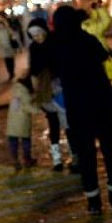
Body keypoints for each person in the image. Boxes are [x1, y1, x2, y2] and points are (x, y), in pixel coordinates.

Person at [42, 5, 112, 213]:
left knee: (86, 157)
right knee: (111, 152)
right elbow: (103, 57)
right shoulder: (88, 40)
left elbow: (47, 67)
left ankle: (93, 202)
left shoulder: (54, 46)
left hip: (78, 108)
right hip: (102, 103)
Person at [27, 21, 69, 172]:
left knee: (67, 122)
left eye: (38, 34)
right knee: (53, 123)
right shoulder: (33, 48)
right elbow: (33, 70)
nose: (37, 38)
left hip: (61, 89)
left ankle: (74, 155)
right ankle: (57, 159)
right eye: (33, 35)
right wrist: (35, 89)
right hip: (46, 91)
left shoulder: (54, 42)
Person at [83, 0, 112, 116]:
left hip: (88, 63)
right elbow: (106, 21)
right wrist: (98, 9)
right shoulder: (92, 27)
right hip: (102, 58)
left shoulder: (82, 28)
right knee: (111, 84)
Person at [7, 75, 37, 172]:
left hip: (12, 121)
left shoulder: (15, 90)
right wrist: (39, 110)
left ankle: (15, 160)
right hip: (22, 121)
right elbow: (27, 107)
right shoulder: (24, 93)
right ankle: (27, 160)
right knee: (26, 141)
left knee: (13, 141)